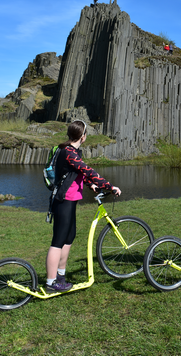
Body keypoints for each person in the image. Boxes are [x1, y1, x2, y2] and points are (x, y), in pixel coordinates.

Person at [45, 120, 121, 292]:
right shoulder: (68, 152)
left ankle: (60, 275)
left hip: (70, 200)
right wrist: (110, 186)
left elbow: (76, 173)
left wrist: (90, 185)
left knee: (69, 237)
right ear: (83, 136)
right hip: (64, 200)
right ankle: (51, 283)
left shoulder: (69, 151)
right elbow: (87, 170)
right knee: (58, 241)